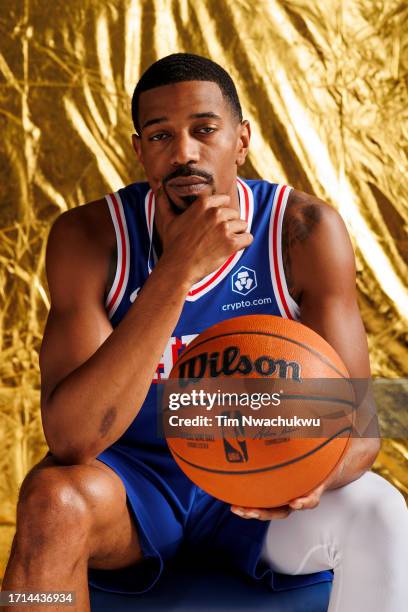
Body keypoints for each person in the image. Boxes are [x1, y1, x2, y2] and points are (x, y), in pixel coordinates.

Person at [2, 53, 407, 612]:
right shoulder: (91, 236)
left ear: (240, 140)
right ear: (139, 150)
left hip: (259, 486)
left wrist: (316, 473)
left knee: (380, 511)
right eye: (161, 134)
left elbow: (360, 424)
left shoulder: (303, 230)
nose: (184, 152)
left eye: (204, 130)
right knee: (50, 501)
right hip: (135, 483)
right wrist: (175, 273)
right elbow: (71, 439)